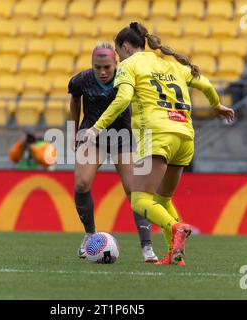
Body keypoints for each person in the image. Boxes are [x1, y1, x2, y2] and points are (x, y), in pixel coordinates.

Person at [84, 22, 234, 265]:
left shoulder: (129, 65)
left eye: (118, 52)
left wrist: (96, 127)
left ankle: (176, 227)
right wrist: (216, 105)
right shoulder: (172, 65)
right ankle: (175, 255)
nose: (118, 57)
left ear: (125, 47)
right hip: (185, 137)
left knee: (140, 199)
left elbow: (122, 98)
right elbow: (205, 84)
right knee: (163, 200)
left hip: (158, 135)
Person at [68, 41, 158, 263]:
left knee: (134, 190)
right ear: (92, 65)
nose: (103, 71)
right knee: (81, 183)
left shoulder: (127, 77)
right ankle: (89, 234)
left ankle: (147, 246)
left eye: (107, 66)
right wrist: (74, 130)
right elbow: (74, 100)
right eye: (98, 67)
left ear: (116, 62)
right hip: (93, 136)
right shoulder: (81, 80)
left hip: (122, 138)